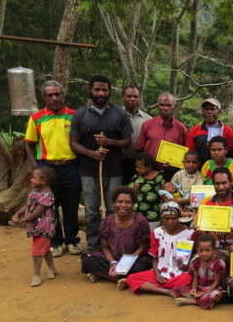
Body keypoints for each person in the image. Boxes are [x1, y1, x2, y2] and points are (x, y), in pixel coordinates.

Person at [69, 74, 133, 253]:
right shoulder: (80, 114)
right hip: (89, 171)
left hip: (114, 170)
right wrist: (92, 153)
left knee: (114, 209)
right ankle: (95, 247)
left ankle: (114, 245)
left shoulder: (120, 113)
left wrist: (109, 142)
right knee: (91, 211)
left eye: (104, 90)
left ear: (109, 91)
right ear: (90, 90)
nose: (100, 93)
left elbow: (127, 142)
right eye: (97, 89)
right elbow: (74, 143)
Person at [24, 80, 82, 258]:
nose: (55, 98)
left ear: (63, 95)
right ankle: (55, 242)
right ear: (43, 97)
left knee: (71, 206)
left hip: (71, 167)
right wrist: (37, 170)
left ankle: (72, 240)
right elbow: (30, 146)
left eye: (58, 94)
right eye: (50, 95)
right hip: (47, 169)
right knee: (50, 207)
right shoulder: (36, 118)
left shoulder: (75, 116)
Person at [80, 186, 153, 287]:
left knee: (144, 266)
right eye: (120, 201)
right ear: (114, 203)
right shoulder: (107, 221)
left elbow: (142, 247)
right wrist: (113, 263)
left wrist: (125, 264)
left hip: (133, 260)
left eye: (127, 202)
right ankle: (125, 279)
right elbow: (105, 247)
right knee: (87, 260)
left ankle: (103, 274)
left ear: (133, 204)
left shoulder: (140, 221)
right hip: (112, 259)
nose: (123, 205)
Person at [126, 202, 195, 297]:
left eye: (173, 218)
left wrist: (185, 267)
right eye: (166, 218)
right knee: (131, 278)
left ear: (179, 217)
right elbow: (155, 258)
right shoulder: (156, 233)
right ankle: (168, 291)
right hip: (161, 272)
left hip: (181, 274)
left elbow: (194, 257)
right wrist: (157, 275)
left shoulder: (189, 233)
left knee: (189, 278)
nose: (170, 222)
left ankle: (154, 286)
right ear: (162, 218)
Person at [11, 167, 58, 287]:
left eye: (34, 178)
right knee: (45, 249)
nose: (31, 180)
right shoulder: (36, 192)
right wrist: (18, 213)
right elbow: (29, 206)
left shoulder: (48, 196)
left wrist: (22, 221)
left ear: (44, 181)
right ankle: (52, 268)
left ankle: (36, 275)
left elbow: (38, 212)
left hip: (44, 229)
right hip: (36, 227)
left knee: (37, 251)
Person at [135, 93, 188, 180]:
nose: (165, 108)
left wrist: (175, 165)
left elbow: (186, 152)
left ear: (175, 107)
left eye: (169, 105)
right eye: (162, 105)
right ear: (157, 106)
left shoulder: (181, 128)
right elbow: (140, 149)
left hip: (172, 173)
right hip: (150, 172)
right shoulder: (147, 125)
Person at [173, 234, 226, 309]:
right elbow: (195, 278)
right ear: (197, 249)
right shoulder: (197, 261)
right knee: (178, 288)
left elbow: (216, 283)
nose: (204, 253)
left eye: (207, 250)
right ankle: (202, 299)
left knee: (215, 295)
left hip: (213, 289)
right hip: (200, 288)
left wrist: (204, 293)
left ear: (213, 249)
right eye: (201, 250)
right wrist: (194, 288)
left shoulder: (218, 262)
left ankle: (192, 301)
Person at [185, 98, 233, 164]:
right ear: (202, 111)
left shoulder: (227, 130)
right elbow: (189, 153)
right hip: (199, 171)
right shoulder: (194, 130)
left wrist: (218, 147)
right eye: (206, 109)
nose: (209, 112)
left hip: (221, 171)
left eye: (212, 109)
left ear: (219, 112)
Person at [121, 86, 152, 185]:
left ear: (140, 98)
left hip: (142, 164)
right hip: (120, 163)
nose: (132, 99)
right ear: (123, 97)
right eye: (129, 96)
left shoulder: (148, 119)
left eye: (135, 96)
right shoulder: (116, 116)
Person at [129, 153, 166, 228]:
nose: (136, 169)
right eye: (136, 167)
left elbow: (165, 194)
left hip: (153, 218)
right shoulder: (136, 177)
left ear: (149, 167)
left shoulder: (161, 177)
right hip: (135, 217)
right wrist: (133, 190)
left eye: (139, 167)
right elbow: (127, 194)